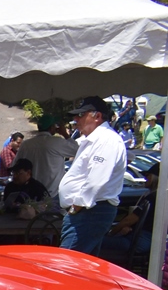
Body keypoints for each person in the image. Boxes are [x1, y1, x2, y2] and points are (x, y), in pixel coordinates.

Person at [59, 96, 127, 255]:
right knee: (82, 267)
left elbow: (96, 179)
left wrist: (77, 206)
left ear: (97, 116)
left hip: (90, 212)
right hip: (89, 211)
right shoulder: (97, 139)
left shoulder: (106, 140)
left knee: (66, 265)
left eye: (81, 115)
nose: (76, 119)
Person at [102, 162, 158, 258]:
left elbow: (128, 220)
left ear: (155, 178)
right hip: (146, 241)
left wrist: (112, 233)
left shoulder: (152, 198)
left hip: (139, 241)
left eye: (147, 175)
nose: (145, 178)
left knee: (96, 241)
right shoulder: (160, 199)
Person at [15, 115, 79, 198]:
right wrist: (65, 134)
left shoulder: (26, 144)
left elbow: (15, 165)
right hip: (53, 193)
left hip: (30, 192)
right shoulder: (57, 142)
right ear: (52, 128)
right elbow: (77, 150)